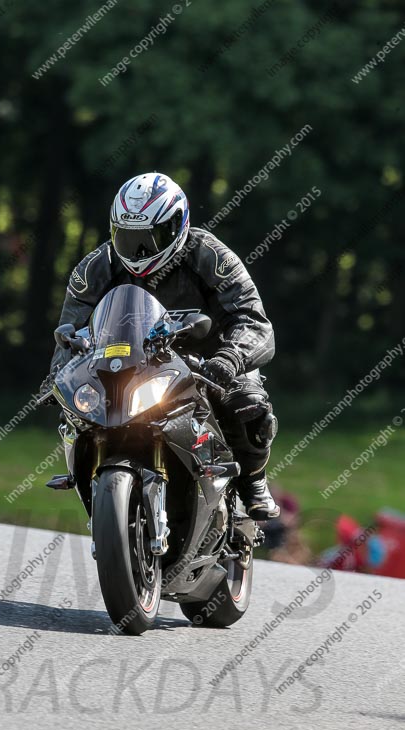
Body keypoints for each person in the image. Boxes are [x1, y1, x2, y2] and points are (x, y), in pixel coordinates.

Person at [41, 172, 279, 520]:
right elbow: (70, 331)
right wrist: (57, 375)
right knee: (75, 411)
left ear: (178, 225)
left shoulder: (210, 255)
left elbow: (254, 320)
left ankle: (253, 481)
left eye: (152, 237)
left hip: (212, 359)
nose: (140, 249)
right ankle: (91, 481)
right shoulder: (95, 267)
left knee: (248, 404)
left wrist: (230, 357)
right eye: (129, 237)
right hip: (132, 361)